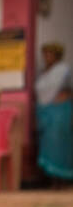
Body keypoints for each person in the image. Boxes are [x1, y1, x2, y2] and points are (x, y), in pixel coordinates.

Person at [35, 42, 73, 184]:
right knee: (48, 144)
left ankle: (62, 179)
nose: (46, 57)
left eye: (49, 54)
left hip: (61, 111)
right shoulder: (43, 72)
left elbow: (69, 90)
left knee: (61, 143)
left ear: (57, 55)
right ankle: (51, 180)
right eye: (45, 54)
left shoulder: (63, 70)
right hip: (45, 112)